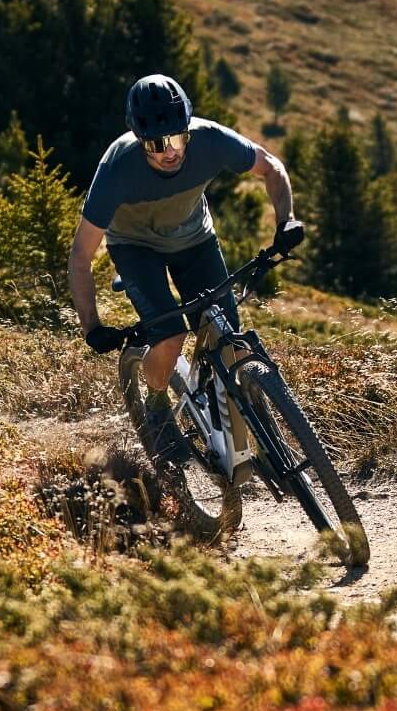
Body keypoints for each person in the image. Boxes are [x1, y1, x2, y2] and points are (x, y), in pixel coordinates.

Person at [70, 73, 301, 454]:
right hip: (135, 247)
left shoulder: (210, 139)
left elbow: (271, 167)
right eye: (157, 144)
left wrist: (285, 219)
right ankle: (159, 408)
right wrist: (91, 327)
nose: (170, 151)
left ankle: (240, 424)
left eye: (178, 138)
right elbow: (80, 256)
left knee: (229, 339)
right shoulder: (117, 169)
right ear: (139, 139)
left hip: (194, 240)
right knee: (170, 334)